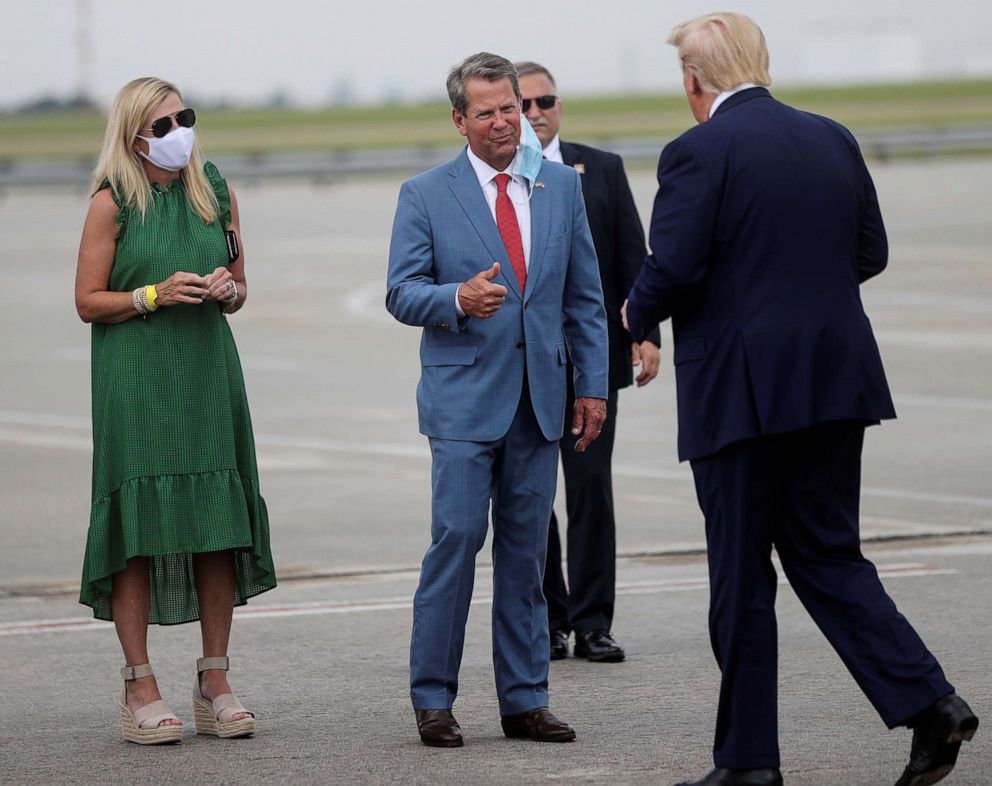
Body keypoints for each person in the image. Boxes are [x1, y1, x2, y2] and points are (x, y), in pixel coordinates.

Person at [622, 13, 978, 786]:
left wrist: (635, 313)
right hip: (833, 379)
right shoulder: (832, 136)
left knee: (742, 579)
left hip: (741, 393)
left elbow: (674, 264)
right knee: (829, 555)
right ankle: (932, 704)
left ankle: (749, 765)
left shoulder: (697, 149)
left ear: (693, 80)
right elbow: (869, 252)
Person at [386, 52, 609, 748]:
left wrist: (592, 385)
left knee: (523, 554)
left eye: (510, 108)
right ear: (460, 120)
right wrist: (455, 298)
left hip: (541, 400)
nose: (504, 122)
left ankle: (524, 699)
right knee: (456, 539)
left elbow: (584, 301)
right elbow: (400, 290)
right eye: (486, 113)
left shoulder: (560, 191)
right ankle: (434, 699)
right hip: (463, 402)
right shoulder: (425, 194)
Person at [75, 77, 276, 745]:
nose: (179, 131)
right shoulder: (112, 203)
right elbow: (86, 299)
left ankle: (214, 679)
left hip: (206, 372)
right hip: (138, 380)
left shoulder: (213, 189)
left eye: (183, 117)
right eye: (163, 124)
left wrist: (228, 289)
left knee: (216, 525)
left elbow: (241, 286)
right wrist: (151, 295)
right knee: (139, 530)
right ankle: (139, 685)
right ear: (134, 137)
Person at [515, 61, 661, 664]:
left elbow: (633, 255)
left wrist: (645, 333)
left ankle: (594, 622)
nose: (534, 113)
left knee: (591, 489)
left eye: (544, 100)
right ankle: (550, 618)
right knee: (533, 492)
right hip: (528, 361)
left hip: (594, 356)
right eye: (522, 104)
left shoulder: (601, 167)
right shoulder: (503, 175)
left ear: (559, 104)